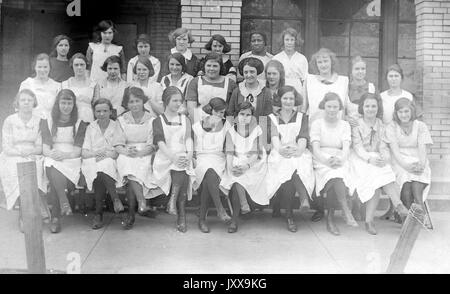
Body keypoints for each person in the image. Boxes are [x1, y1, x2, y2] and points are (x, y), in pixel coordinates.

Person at [348, 93, 408, 235]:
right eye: (367, 106)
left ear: (378, 107)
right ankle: (397, 204)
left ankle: (371, 220)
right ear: (362, 107)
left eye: (373, 106)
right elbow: (357, 147)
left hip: (376, 158)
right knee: (375, 174)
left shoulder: (381, 124)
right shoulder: (357, 123)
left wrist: (385, 158)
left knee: (384, 170)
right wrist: (369, 159)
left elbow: (383, 146)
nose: (370, 109)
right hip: (359, 158)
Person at [265, 86, 314, 232]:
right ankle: (296, 206)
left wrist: (298, 150)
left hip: (297, 150)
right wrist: (281, 149)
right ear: (279, 100)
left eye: (291, 98)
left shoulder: (301, 116)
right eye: (285, 98)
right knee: (287, 166)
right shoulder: (271, 118)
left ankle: (291, 212)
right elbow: (274, 139)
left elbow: (303, 137)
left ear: (295, 100)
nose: (288, 101)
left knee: (296, 163)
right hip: (279, 152)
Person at [0, 89, 48, 232]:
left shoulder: (39, 120)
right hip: (13, 154)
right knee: (16, 171)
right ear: (18, 103)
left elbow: (39, 146)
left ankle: (34, 212)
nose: (26, 103)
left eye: (29, 100)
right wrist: (21, 152)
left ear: (34, 102)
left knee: (37, 168)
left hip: (33, 153)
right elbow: (6, 147)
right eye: (23, 100)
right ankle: (24, 215)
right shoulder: (10, 120)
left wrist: (31, 152)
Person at [41, 89, 88, 233]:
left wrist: (65, 155)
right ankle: (63, 201)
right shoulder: (48, 121)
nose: (66, 106)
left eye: (69, 103)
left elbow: (78, 150)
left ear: (74, 104)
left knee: (55, 173)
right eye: (63, 102)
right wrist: (54, 154)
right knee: (51, 164)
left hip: (71, 157)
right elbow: (45, 148)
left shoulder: (79, 123)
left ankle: (56, 215)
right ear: (57, 103)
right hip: (53, 155)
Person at [310, 92, 356, 236]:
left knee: (337, 174)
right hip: (321, 159)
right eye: (329, 106)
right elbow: (315, 148)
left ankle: (331, 218)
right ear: (324, 106)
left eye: (335, 107)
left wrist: (340, 160)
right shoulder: (317, 124)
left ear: (340, 108)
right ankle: (344, 208)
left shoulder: (345, 125)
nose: (332, 110)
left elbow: (346, 147)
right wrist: (326, 160)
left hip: (340, 158)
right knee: (333, 174)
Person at [220, 102, 268, 233]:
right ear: (236, 115)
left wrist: (246, 166)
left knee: (240, 175)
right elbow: (229, 153)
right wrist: (230, 167)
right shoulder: (231, 131)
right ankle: (235, 219)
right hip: (236, 161)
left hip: (253, 163)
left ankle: (244, 203)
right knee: (235, 177)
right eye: (241, 114)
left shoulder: (257, 129)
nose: (244, 117)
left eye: (248, 115)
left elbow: (255, 153)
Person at [152, 86, 195, 233]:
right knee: (180, 166)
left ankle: (173, 203)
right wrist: (173, 157)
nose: (178, 104)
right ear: (166, 101)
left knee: (182, 165)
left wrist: (189, 154)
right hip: (165, 156)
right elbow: (160, 143)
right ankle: (180, 213)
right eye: (174, 100)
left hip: (182, 155)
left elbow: (188, 138)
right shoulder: (158, 120)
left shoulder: (185, 119)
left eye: (180, 101)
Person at [115, 87, 158, 230]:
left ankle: (132, 214)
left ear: (143, 101)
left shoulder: (152, 119)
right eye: (131, 101)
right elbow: (118, 144)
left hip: (145, 153)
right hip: (127, 152)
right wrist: (127, 151)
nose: (134, 104)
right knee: (127, 164)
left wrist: (140, 153)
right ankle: (141, 202)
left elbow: (153, 144)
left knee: (137, 167)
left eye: (137, 101)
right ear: (127, 104)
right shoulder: (121, 120)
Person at [385, 98, 433, 215]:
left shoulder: (420, 126)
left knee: (418, 175)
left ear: (412, 111)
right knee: (405, 176)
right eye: (400, 112)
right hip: (399, 160)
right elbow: (395, 151)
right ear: (396, 113)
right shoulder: (392, 127)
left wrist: (421, 164)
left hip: (417, 158)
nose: (404, 115)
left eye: (406, 111)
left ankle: (418, 204)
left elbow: (422, 148)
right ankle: (408, 214)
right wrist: (406, 166)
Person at [81, 98, 123, 230]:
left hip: (111, 159)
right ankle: (115, 198)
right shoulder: (91, 127)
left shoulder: (116, 126)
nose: (102, 114)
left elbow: (117, 151)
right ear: (94, 112)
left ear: (110, 111)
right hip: (93, 160)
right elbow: (85, 152)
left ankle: (98, 214)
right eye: (98, 111)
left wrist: (103, 155)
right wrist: (96, 155)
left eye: (105, 110)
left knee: (105, 166)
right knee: (98, 168)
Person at [192, 98, 232, 233]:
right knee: (208, 170)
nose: (221, 115)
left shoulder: (227, 125)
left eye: (223, 113)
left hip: (219, 158)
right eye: (218, 112)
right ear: (210, 110)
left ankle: (202, 219)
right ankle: (220, 209)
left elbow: (228, 147)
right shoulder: (197, 126)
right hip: (201, 158)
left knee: (210, 174)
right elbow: (192, 149)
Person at [186, 52, 237, 123]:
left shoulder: (230, 83)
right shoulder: (195, 82)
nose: (211, 68)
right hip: (199, 123)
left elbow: (232, 109)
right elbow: (191, 108)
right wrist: (199, 126)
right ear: (204, 66)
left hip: (223, 125)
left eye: (215, 66)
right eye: (208, 65)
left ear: (220, 67)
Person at [305, 48, 350, 123]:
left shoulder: (343, 81)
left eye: (326, 61)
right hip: (315, 128)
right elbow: (303, 109)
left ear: (331, 62)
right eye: (319, 62)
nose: (323, 65)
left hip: (337, 127)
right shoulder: (309, 80)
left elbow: (345, 108)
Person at [19, 53, 61, 120]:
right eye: (39, 67)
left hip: (50, 124)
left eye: (45, 67)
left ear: (50, 67)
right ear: (34, 67)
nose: (42, 70)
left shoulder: (57, 86)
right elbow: (19, 108)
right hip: (31, 123)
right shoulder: (27, 84)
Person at [62, 53, 99, 123]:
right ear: (72, 66)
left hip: (87, 117)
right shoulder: (65, 84)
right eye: (76, 65)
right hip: (71, 117)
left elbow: (97, 106)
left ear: (86, 65)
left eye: (82, 64)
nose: (79, 67)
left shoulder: (94, 84)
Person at [272, 28, 308, 97]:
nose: (289, 42)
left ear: (296, 41)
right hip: (281, 89)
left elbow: (305, 80)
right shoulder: (276, 58)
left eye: (292, 40)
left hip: (297, 90)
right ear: (283, 41)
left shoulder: (302, 58)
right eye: (287, 40)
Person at [347, 56, 377, 126]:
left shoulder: (372, 88)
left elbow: (379, 111)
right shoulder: (346, 88)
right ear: (351, 70)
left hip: (368, 128)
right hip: (349, 128)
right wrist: (346, 119)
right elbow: (340, 110)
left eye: (363, 69)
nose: (360, 71)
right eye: (357, 69)